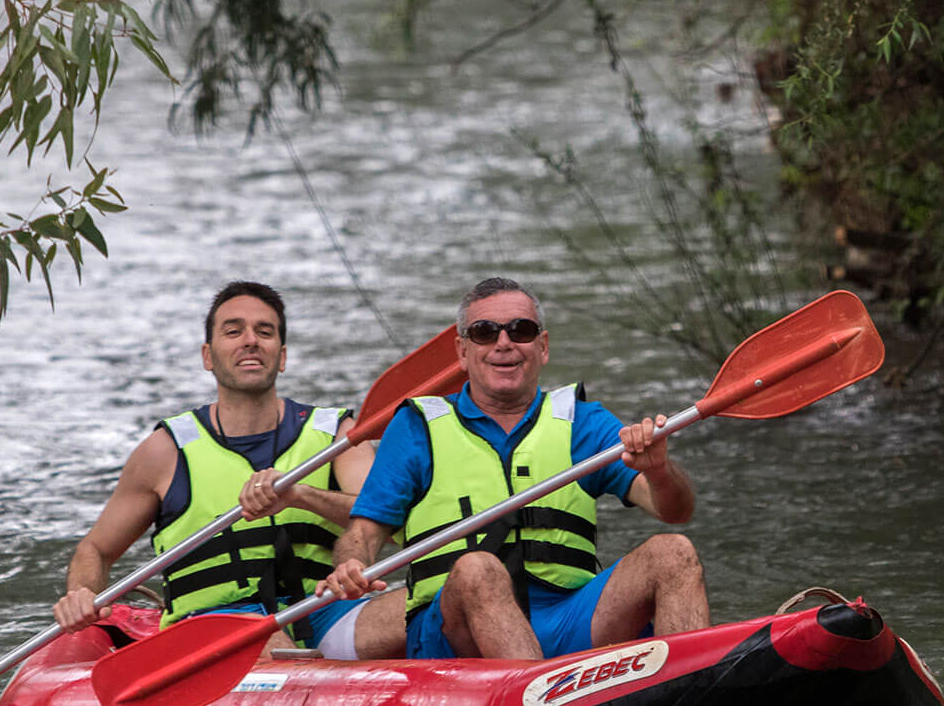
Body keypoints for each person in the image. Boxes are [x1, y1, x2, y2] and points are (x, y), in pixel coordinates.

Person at [319, 276, 709, 660]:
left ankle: (694, 690)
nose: (504, 343)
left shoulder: (582, 422)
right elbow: (363, 534)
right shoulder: (417, 427)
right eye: (485, 332)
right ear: (461, 352)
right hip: (455, 630)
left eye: (520, 330)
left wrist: (659, 470)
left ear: (542, 346)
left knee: (672, 553)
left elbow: (675, 511)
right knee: (477, 570)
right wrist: (351, 565)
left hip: (565, 614)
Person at [54, 280, 406, 659]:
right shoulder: (165, 450)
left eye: (264, 332)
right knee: (270, 643)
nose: (250, 341)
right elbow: (96, 549)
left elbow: (390, 520)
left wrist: (302, 496)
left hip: (323, 611)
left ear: (282, 356)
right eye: (234, 331)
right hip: (213, 623)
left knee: (434, 598)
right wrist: (82, 594)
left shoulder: (337, 435)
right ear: (208, 356)